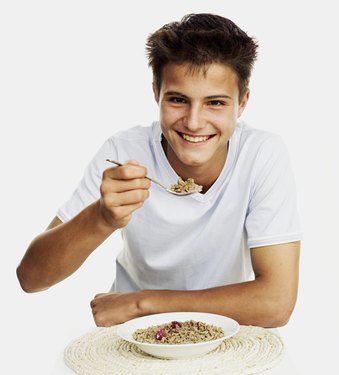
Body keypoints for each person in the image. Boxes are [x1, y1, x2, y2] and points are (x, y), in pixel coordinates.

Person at [16, 13, 302, 328]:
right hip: (133, 335)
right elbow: (31, 277)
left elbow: (276, 304)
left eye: (215, 103)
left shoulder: (261, 155)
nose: (194, 122)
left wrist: (144, 303)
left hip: (221, 331)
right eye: (178, 100)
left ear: (243, 101)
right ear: (156, 92)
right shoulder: (124, 153)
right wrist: (101, 218)